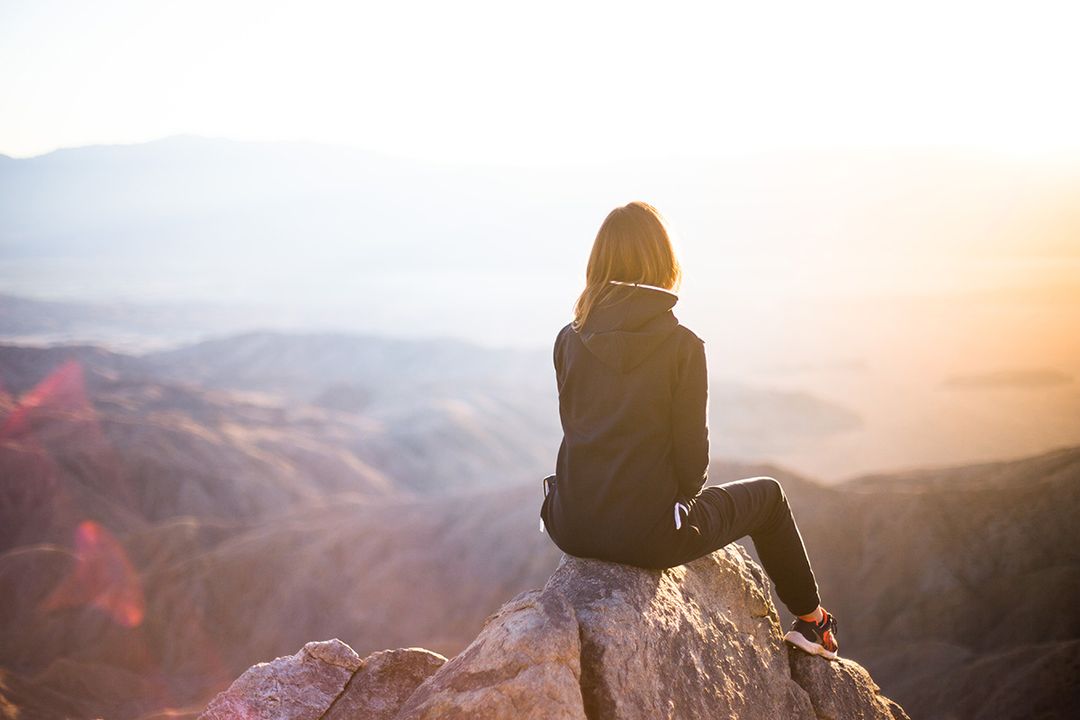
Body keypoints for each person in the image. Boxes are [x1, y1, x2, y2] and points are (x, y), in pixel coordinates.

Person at [538, 200, 839, 660]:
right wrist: (669, 508)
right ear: (663, 261)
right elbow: (693, 465)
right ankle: (812, 622)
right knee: (771, 497)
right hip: (649, 537)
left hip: (569, 523)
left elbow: (578, 428)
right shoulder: (682, 346)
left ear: (598, 262)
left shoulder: (568, 337)